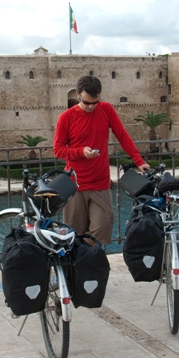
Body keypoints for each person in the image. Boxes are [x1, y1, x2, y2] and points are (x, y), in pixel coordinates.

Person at [53, 76, 150, 244]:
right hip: (75, 185)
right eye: (87, 102)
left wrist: (139, 161)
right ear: (77, 95)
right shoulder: (66, 117)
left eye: (95, 102)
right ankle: (80, 266)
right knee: (74, 233)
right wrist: (81, 152)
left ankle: (87, 255)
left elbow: (122, 135)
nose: (91, 107)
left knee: (104, 225)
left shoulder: (106, 109)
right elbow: (58, 150)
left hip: (100, 183)